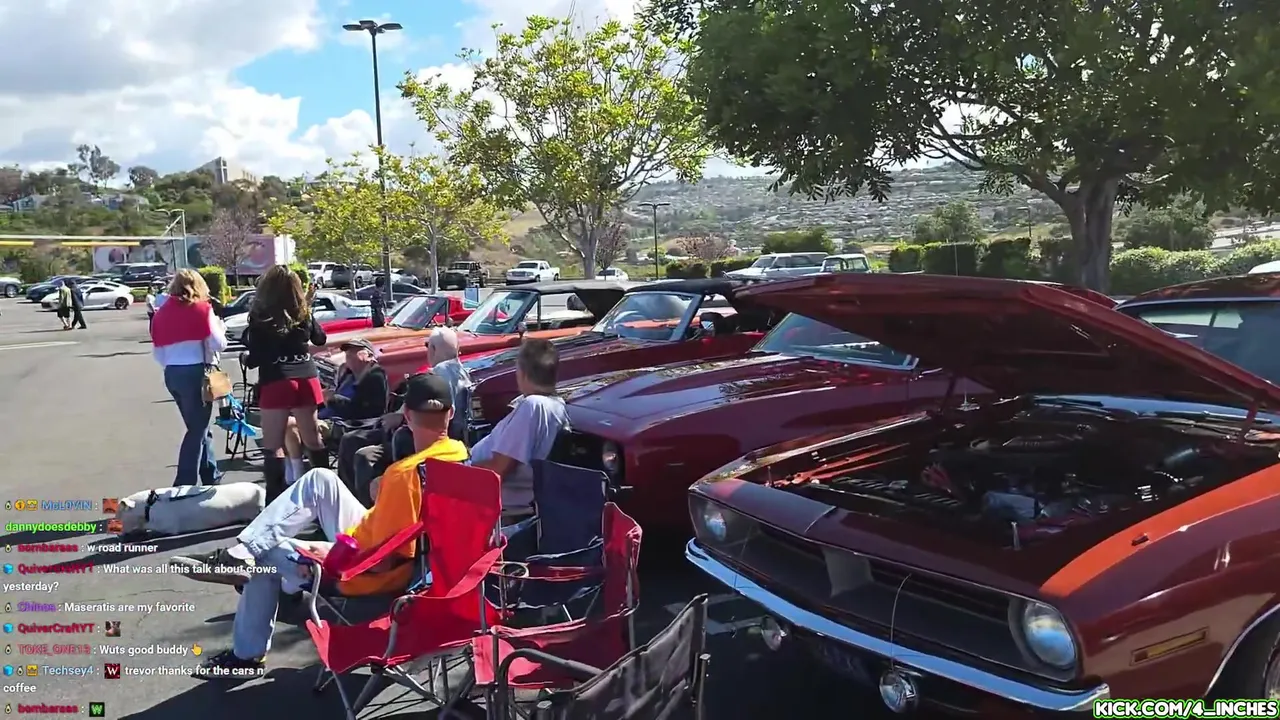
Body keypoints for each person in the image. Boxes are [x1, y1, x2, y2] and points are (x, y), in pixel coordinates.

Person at [172, 373, 468, 676]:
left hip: (372, 569)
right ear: (452, 413)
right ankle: (243, 553)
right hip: (411, 560)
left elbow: (385, 560)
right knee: (321, 478)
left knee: (266, 556)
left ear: (406, 414)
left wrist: (329, 556)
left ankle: (246, 655)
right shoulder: (460, 457)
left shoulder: (404, 475)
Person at [242, 266, 328, 502]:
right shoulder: (303, 313)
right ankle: (325, 494)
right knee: (313, 439)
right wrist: (307, 310)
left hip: (278, 379)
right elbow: (320, 339)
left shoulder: (261, 317)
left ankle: (275, 499)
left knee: (273, 445)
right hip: (306, 377)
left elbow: (256, 357)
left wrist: (247, 359)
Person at [469, 338, 568, 519]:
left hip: (498, 505)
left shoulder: (533, 406)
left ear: (522, 374)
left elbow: (498, 470)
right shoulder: (554, 405)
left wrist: (460, 471)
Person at [150, 269, 229, 486]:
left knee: (199, 426)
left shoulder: (161, 314)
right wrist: (221, 328)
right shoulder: (203, 309)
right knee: (197, 429)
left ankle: (210, 475)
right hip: (196, 373)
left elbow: (158, 353)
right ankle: (184, 482)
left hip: (172, 373)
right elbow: (219, 344)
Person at [281, 338, 389, 486]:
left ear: (369, 356)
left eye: (355, 352)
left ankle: (301, 476)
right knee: (285, 419)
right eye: (348, 353)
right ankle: (294, 474)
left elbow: (364, 410)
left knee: (291, 424)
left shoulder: (375, 376)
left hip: (347, 423)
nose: (349, 356)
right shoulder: (348, 375)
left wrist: (333, 399)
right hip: (330, 416)